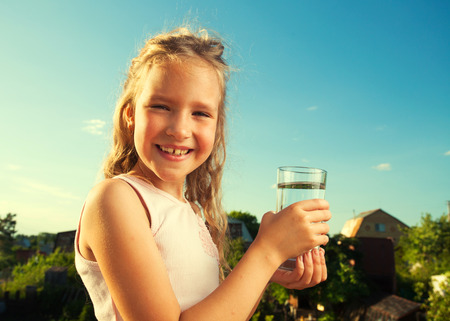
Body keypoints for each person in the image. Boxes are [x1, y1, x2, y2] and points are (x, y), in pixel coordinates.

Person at [75, 26, 331, 321]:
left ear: (217, 127)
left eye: (200, 113)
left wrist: (266, 272)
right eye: (160, 106)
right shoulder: (117, 198)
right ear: (131, 115)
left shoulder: (192, 210)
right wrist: (267, 250)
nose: (180, 129)